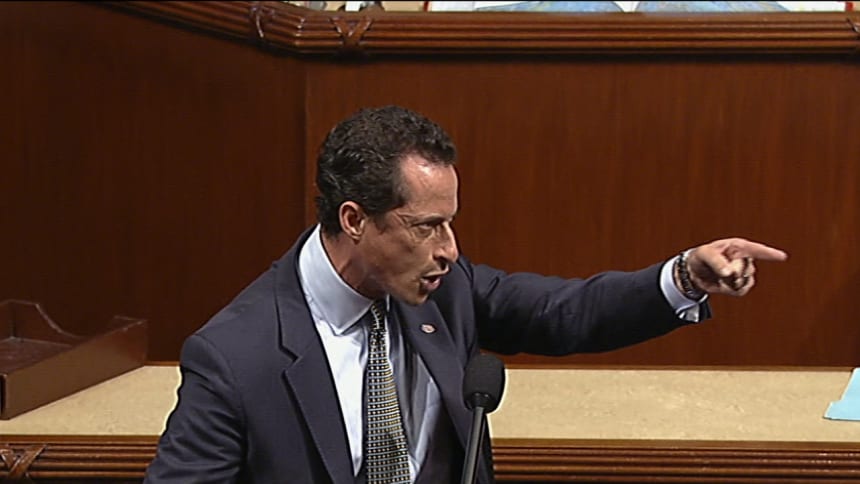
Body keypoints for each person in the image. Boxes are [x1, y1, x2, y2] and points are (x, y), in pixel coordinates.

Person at [144, 105, 787, 484]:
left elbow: (564, 313)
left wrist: (684, 276)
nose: (449, 250)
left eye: (450, 224)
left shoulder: (444, 291)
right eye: (426, 228)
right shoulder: (237, 357)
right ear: (354, 220)